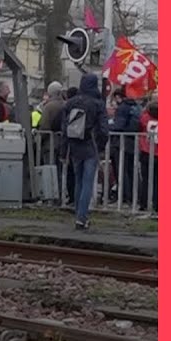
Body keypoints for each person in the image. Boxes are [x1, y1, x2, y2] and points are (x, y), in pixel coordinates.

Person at [61, 72, 110, 230]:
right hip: (91, 145)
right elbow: (103, 129)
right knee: (88, 182)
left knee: (78, 181)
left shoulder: (71, 102)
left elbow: (64, 129)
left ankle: (78, 215)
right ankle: (82, 218)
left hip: (75, 146)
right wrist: (101, 147)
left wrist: (64, 150)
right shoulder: (97, 103)